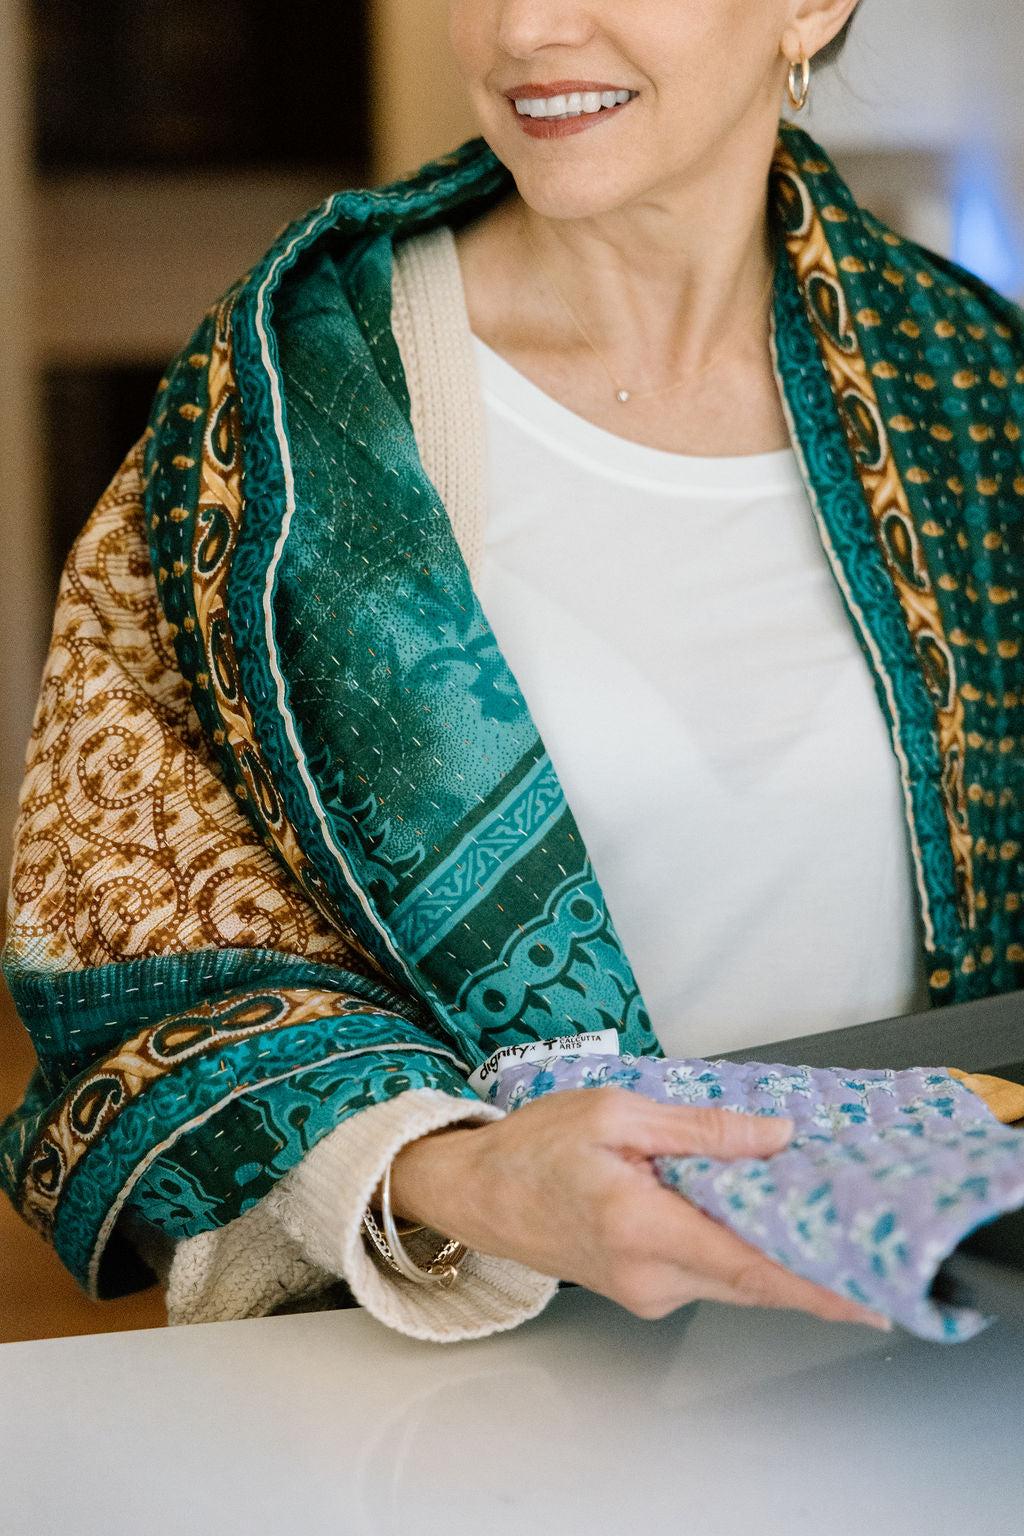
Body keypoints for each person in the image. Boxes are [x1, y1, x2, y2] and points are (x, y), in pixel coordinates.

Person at [4, 0, 1023, 1343]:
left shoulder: (974, 392)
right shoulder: (283, 405)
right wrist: (456, 1175)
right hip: (473, 1388)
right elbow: (127, 944)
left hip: (919, 1363)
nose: (526, 25)